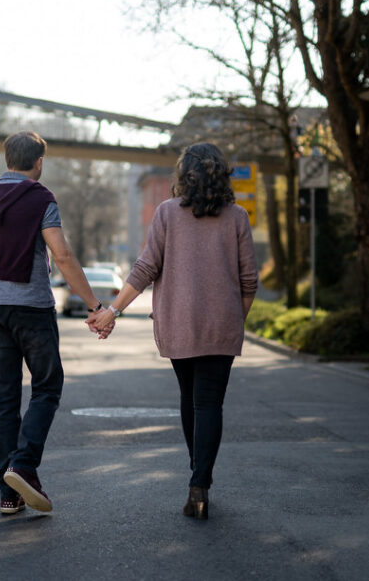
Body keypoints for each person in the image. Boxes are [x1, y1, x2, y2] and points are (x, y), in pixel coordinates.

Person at [87, 142, 258, 520]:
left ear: (184, 176)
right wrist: (234, 319)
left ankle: (197, 476)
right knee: (209, 403)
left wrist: (113, 310)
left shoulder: (166, 213)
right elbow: (249, 281)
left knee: (189, 399)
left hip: (178, 324)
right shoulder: (237, 217)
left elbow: (146, 268)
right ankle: (200, 483)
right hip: (222, 326)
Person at [0, 131, 108, 516]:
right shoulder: (41, 198)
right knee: (47, 386)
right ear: (38, 163)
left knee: (3, 400)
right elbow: (62, 253)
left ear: (7, 159)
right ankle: (22, 465)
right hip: (32, 310)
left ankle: (9, 494)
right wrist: (93, 304)